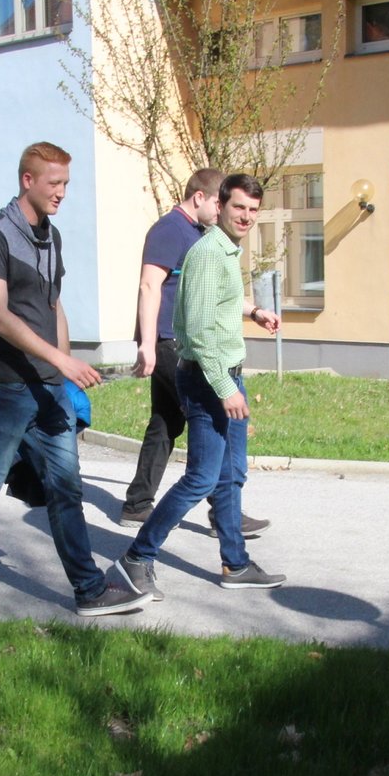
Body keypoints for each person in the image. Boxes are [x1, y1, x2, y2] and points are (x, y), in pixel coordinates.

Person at [0, 142, 147, 616]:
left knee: (66, 489)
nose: (62, 192)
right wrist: (59, 361)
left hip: (48, 388)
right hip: (5, 386)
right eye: (54, 183)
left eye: (66, 183)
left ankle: (89, 590)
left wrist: (65, 366)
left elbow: (53, 305)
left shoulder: (51, 237)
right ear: (27, 180)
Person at [114, 174, 286, 599]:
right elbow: (198, 330)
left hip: (225, 375)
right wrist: (225, 388)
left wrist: (254, 313)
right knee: (201, 478)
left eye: (253, 210)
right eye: (238, 207)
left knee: (229, 475)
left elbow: (218, 306)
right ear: (220, 205)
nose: (246, 216)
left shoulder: (224, 250)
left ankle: (236, 563)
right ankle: (136, 557)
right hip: (210, 378)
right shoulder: (209, 254)